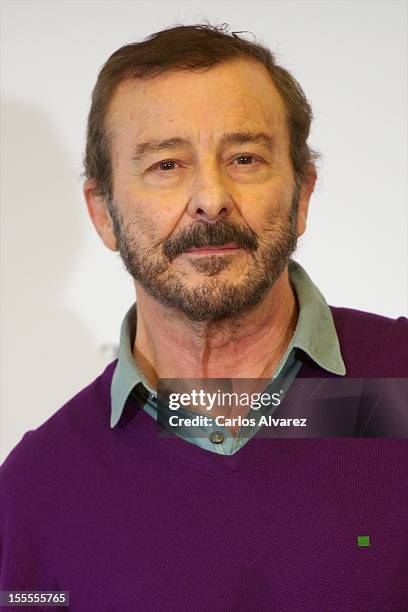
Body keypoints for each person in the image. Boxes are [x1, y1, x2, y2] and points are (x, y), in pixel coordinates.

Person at [1, 23, 407, 611]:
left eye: (245, 158)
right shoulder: (37, 493)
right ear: (104, 214)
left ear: (303, 196)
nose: (211, 196)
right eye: (166, 164)